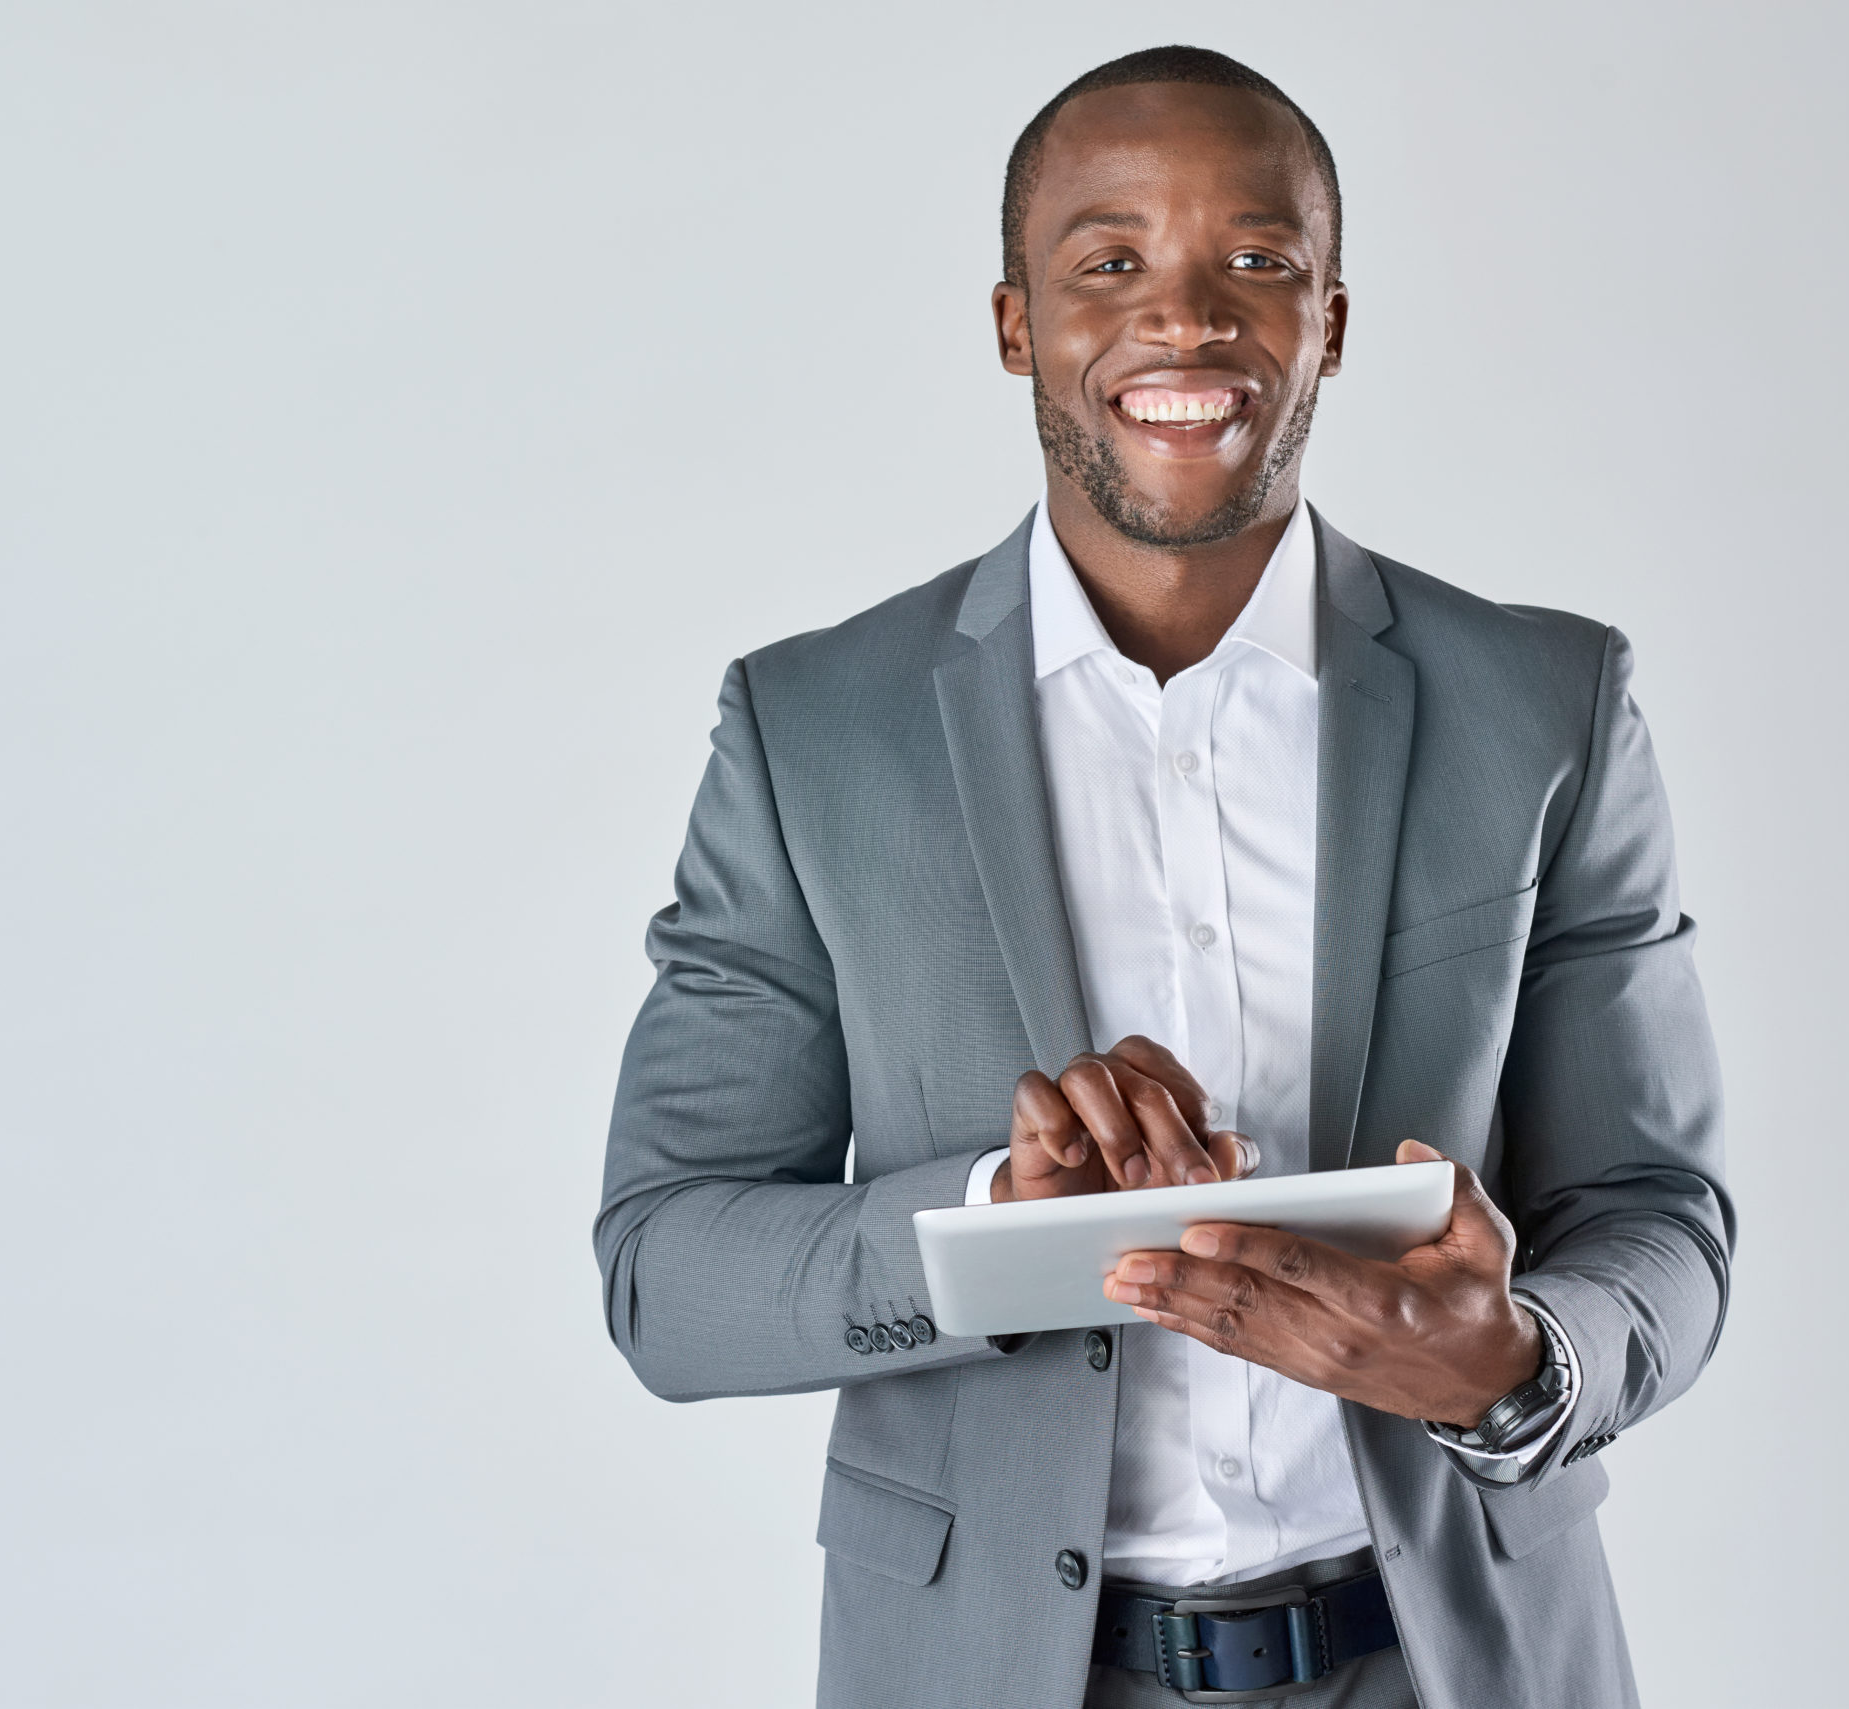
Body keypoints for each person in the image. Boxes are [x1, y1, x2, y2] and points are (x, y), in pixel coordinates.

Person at [594, 44, 1730, 1709]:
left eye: (1256, 263)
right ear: (1013, 326)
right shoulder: (812, 732)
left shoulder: (1546, 702)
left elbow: (1661, 1220)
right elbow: (664, 1272)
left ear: (1331, 316)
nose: (1185, 321)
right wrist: (985, 1225)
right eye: (1109, 262)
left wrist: (1514, 1363)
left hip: (1452, 1662)